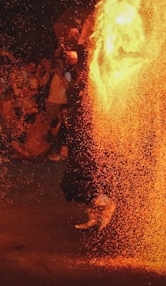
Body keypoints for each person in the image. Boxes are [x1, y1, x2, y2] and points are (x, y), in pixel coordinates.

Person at [60, 47, 115, 231]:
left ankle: (105, 205)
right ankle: (94, 214)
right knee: (79, 178)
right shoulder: (76, 78)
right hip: (79, 133)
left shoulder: (96, 79)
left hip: (93, 133)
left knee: (87, 174)